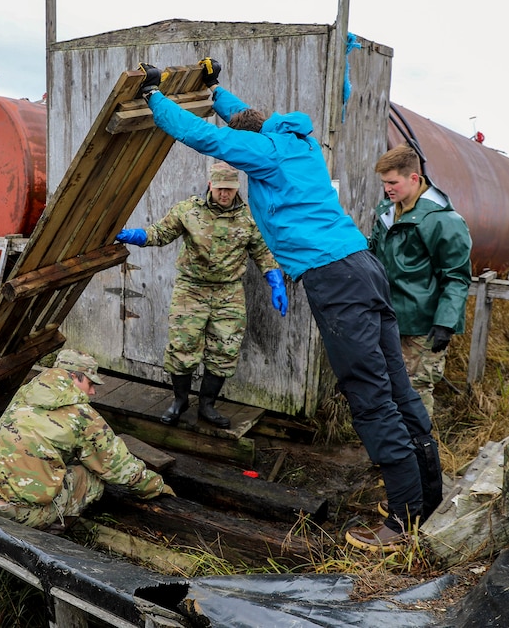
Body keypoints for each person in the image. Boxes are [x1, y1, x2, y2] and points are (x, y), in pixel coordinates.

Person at [139, 59, 441, 552]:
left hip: (335, 281)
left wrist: (155, 97)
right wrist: (216, 91)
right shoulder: (302, 144)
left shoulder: (270, 151)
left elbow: (206, 138)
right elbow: (244, 117)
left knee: (369, 398)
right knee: (398, 388)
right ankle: (426, 497)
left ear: (267, 133)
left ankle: (402, 521)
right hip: (363, 268)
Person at [116, 161, 287, 429]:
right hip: (191, 288)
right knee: (182, 346)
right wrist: (135, 235)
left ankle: (207, 405)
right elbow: (161, 233)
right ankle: (180, 400)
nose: (224, 194)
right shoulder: (189, 211)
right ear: (210, 185)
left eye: (229, 190)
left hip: (228, 291)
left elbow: (262, 252)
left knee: (225, 349)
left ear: (236, 188)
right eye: (220, 188)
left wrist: (275, 280)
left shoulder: (248, 218)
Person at [0, 349, 174, 532]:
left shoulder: (25, 394)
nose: (93, 391)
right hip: (19, 515)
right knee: (93, 477)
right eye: (91, 383)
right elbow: (121, 470)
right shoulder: (82, 415)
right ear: (75, 377)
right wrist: (159, 487)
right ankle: (54, 530)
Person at [371, 145, 473, 418]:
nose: (388, 189)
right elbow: (374, 253)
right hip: (389, 317)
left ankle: (420, 456)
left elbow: (456, 276)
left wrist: (445, 323)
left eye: (393, 182)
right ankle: (394, 453)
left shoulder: (443, 221)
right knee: (387, 388)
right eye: (384, 183)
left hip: (423, 325)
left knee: (415, 391)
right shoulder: (387, 212)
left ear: (414, 178)